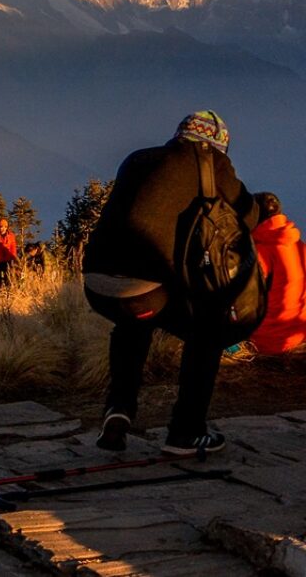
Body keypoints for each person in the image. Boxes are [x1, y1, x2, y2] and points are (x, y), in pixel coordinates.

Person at [83, 110, 261, 457]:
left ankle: (118, 409)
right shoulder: (211, 163)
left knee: (132, 324)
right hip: (150, 289)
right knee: (207, 333)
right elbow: (246, 215)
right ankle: (186, 433)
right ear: (217, 144)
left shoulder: (137, 159)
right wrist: (264, 206)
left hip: (97, 283)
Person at [251, 193, 306, 355]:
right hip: (299, 333)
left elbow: (245, 298)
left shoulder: (261, 252)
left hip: (269, 341)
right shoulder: (300, 246)